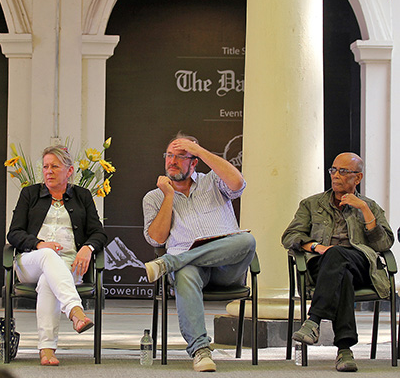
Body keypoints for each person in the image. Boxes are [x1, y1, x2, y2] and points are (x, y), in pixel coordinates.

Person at [142, 133, 256, 372]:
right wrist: (169, 196)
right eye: (170, 155)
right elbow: (156, 238)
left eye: (181, 156)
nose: (172, 161)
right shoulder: (154, 197)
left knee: (246, 240)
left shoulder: (213, 181)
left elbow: (238, 184)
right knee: (185, 272)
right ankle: (201, 350)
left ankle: (170, 263)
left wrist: (201, 150)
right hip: (193, 271)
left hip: (226, 269)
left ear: (194, 162)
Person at [282, 152, 393, 372]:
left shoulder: (369, 206)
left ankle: (313, 321)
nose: (336, 175)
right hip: (322, 264)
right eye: (333, 170)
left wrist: (363, 209)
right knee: (340, 270)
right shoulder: (312, 204)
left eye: (343, 171)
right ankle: (344, 349)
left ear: (358, 178)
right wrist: (316, 247)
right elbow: (290, 236)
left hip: (361, 264)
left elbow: (384, 244)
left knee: (339, 257)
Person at [7, 145, 107, 366]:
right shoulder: (30, 194)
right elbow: (13, 233)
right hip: (31, 261)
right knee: (48, 256)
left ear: (69, 171)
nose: (48, 171)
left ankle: (47, 350)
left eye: (55, 166)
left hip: (70, 266)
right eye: (45, 166)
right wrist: (39, 244)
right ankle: (75, 310)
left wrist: (87, 248)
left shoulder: (82, 196)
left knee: (47, 282)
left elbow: (98, 233)